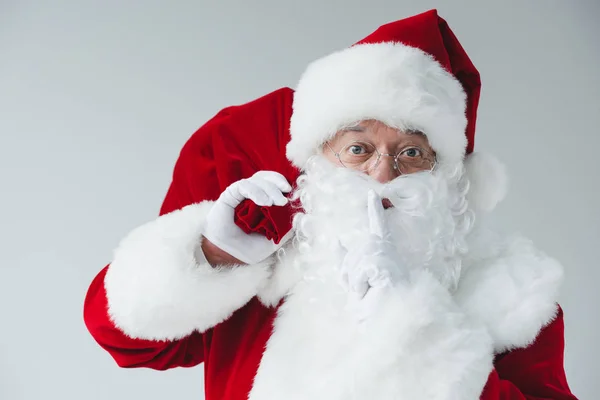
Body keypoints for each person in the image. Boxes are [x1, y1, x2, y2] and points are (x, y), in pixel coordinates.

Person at [83, 9, 578, 400]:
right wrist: (213, 257)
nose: (382, 175)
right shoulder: (265, 276)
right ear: (319, 161)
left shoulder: (507, 294)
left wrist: (414, 332)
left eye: (411, 153)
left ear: (447, 177)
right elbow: (126, 341)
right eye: (358, 149)